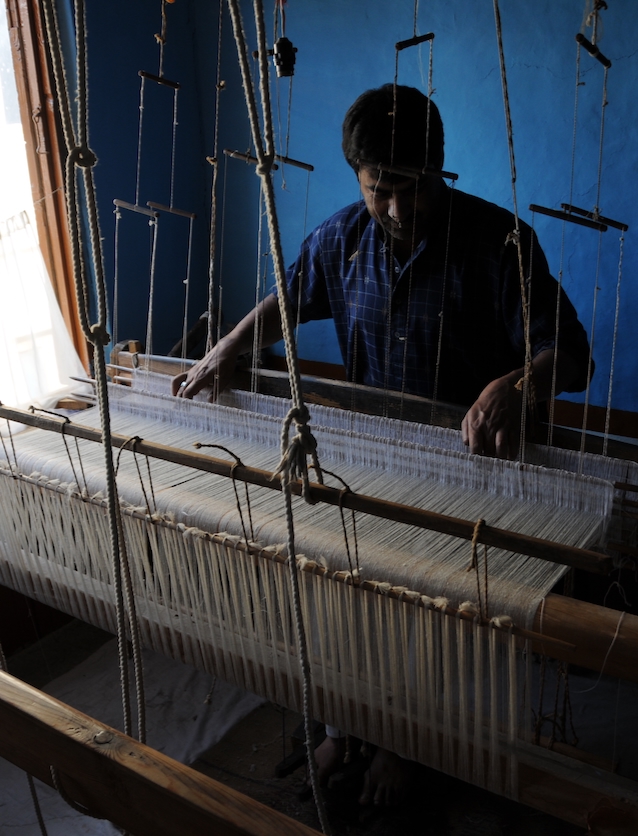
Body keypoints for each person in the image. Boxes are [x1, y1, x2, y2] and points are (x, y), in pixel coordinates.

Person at [172, 84, 592, 803]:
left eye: (412, 188)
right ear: (358, 180)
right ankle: (349, 730)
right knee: (357, 610)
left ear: (440, 171)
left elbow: (573, 355)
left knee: (439, 627)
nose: (398, 209)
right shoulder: (340, 240)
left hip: (470, 481)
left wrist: (520, 384)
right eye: (379, 191)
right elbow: (290, 297)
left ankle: (420, 751)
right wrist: (232, 344)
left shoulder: (502, 244)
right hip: (372, 467)